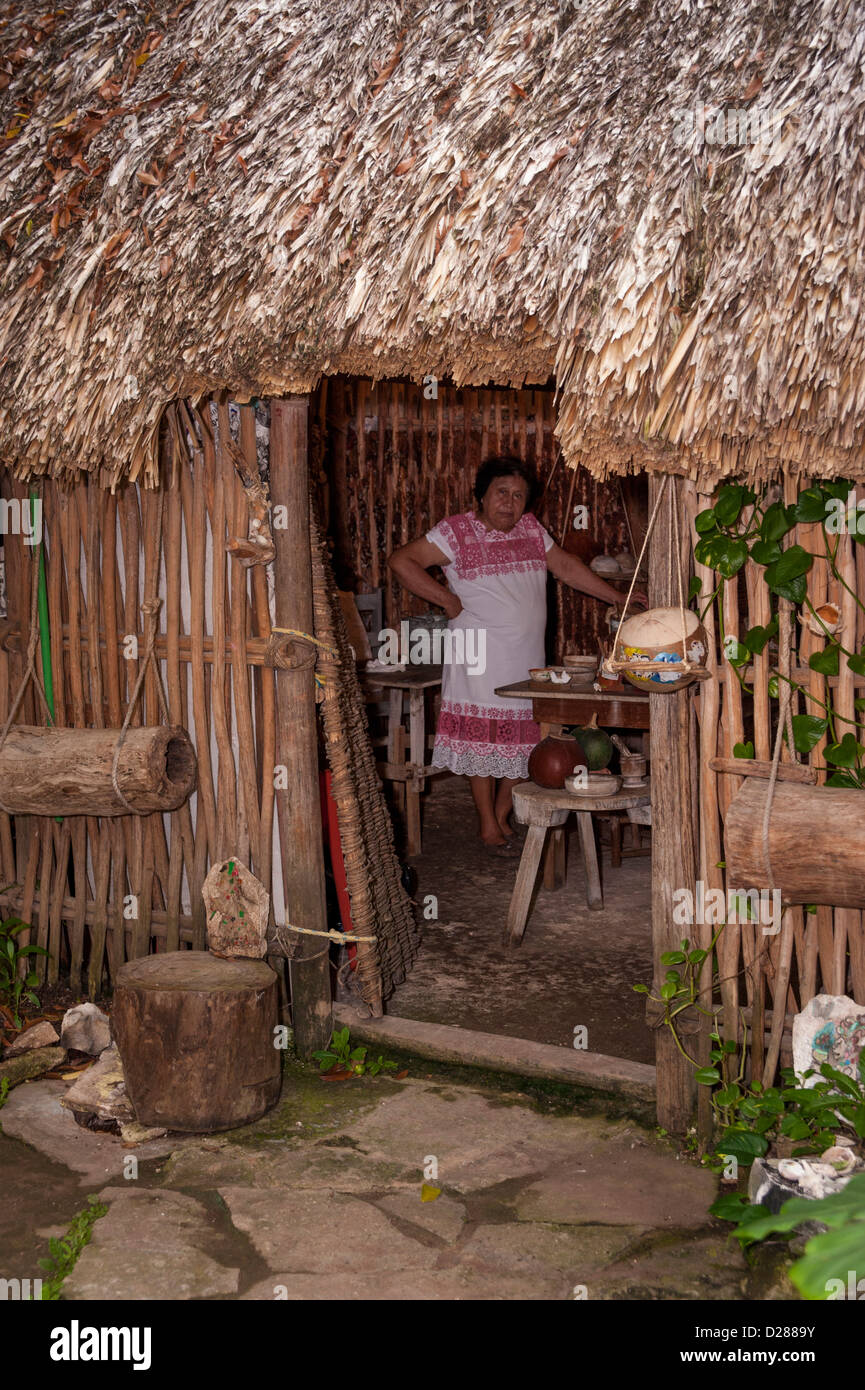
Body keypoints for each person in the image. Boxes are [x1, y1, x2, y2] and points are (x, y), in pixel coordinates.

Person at [388, 456, 647, 851]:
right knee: (483, 737)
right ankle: (487, 821)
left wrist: (619, 597)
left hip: (524, 653)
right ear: (481, 495)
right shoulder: (456, 531)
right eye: (501, 492)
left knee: (525, 735)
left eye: (519, 496)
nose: (509, 502)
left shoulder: (530, 529)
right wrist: (448, 601)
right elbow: (401, 561)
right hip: (477, 650)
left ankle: (504, 807)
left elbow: (566, 566)